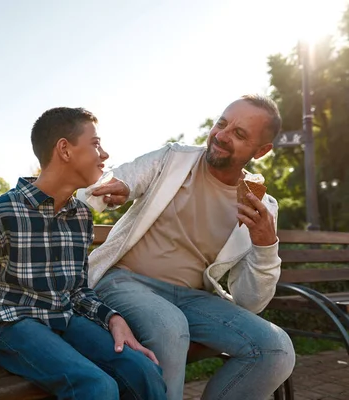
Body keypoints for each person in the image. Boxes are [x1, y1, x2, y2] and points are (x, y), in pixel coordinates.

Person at [81, 95, 296, 400]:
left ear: (261, 151)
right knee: (169, 325)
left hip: (193, 298)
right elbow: (124, 177)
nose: (221, 135)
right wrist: (120, 187)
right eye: (222, 124)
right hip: (125, 281)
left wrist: (264, 245)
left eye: (239, 134)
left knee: (276, 348)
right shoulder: (173, 160)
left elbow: (251, 301)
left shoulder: (260, 206)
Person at [0, 107, 167, 400]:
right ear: (64, 149)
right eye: (95, 144)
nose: (104, 154)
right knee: (98, 386)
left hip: (63, 317)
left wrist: (113, 318)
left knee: (144, 371)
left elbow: (77, 291)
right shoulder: (0, 214)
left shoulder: (80, 216)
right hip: (13, 323)